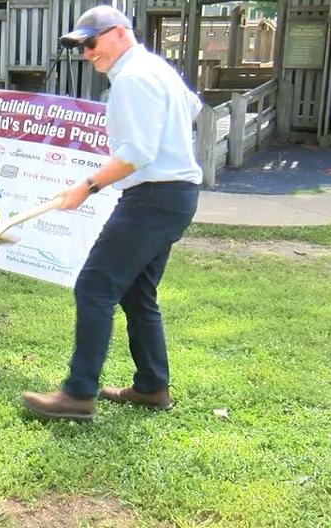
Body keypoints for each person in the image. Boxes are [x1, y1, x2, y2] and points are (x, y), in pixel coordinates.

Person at [21, 5, 203, 422]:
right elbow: (191, 109)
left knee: (95, 286)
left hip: (153, 198)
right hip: (175, 195)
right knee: (137, 293)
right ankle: (152, 387)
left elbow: (136, 153)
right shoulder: (157, 69)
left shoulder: (132, 79)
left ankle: (77, 394)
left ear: (120, 33)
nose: (87, 52)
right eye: (81, 45)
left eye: (92, 42)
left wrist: (85, 188)